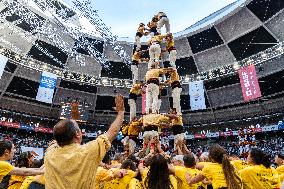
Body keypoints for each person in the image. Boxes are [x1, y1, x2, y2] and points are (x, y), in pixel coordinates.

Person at [44, 95, 125, 189]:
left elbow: (62, 133)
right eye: (78, 129)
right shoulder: (87, 152)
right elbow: (113, 132)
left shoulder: (49, 153)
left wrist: (73, 118)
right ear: (77, 134)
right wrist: (121, 112)